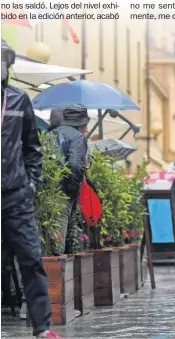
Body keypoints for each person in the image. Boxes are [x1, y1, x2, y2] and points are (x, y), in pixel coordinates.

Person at [1, 39, 60, 338]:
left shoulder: (18, 100)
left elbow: (32, 148)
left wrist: (31, 184)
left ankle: (42, 328)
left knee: (31, 259)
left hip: (15, 195)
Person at [52, 104, 89, 254]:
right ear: (82, 123)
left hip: (47, 192)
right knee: (58, 243)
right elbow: (75, 165)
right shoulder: (78, 137)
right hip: (64, 193)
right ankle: (55, 277)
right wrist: (72, 190)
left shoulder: (52, 133)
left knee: (48, 237)